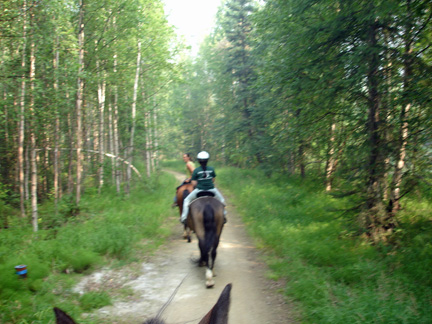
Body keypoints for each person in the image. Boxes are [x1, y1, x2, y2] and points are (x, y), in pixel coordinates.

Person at [180, 151, 227, 224]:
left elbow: (193, 183)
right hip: (212, 190)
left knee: (186, 200)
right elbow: (213, 180)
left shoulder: (196, 170)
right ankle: (223, 216)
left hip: (199, 190)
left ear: (198, 161)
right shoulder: (211, 169)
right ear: (207, 160)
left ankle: (184, 218)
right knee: (222, 200)